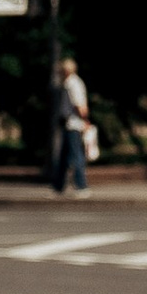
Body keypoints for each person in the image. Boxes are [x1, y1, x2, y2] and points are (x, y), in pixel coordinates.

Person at [50, 55, 91, 196]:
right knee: (64, 156)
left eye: (61, 71)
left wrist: (85, 120)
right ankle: (58, 186)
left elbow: (79, 106)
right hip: (69, 123)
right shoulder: (70, 83)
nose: (59, 73)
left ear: (66, 70)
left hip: (74, 124)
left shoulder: (73, 84)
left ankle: (82, 186)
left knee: (76, 155)